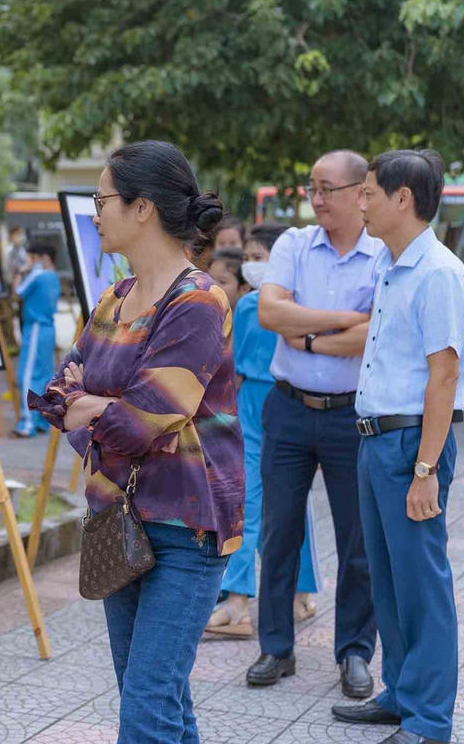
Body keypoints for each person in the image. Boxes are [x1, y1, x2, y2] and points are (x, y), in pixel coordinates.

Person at [29, 140, 244, 744]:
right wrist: (107, 410)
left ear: (142, 207)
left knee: (146, 707)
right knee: (155, 698)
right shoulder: (115, 298)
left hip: (186, 523)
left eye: (102, 201)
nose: (95, 214)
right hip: (117, 516)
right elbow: (56, 394)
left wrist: (96, 409)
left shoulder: (198, 301)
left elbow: (142, 420)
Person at [330, 150, 464, 744]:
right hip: (375, 440)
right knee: (387, 580)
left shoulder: (439, 274)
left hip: (413, 443)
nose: (359, 203)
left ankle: (429, 720)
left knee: (421, 583)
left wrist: (425, 470)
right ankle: (401, 694)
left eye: (367, 192)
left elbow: (444, 377)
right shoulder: (393, 268)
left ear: (402, 198)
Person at [248, 150, 379, 699]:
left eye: (327, 188)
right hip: (289, 409)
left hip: (352, 415)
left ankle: (355, 652)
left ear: (360, 192)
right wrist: (342, 320)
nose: (317, 199)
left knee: (358, 539)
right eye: (312, 188)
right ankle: (276, 647)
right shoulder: (293, 245)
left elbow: (376, 333)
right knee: (279, 531)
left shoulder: (381, 253)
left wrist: (304, 335)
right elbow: (270, 313)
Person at [206, 224, 320, 639]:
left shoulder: (297, 305)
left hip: (289, 405)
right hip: (252, 410)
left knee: (293, 504)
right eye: (249, 258)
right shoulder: (247, 307)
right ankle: (238, 600)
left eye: (260, 258)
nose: (252, 266)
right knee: (246, 502)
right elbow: (234, 369)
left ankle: (301, 593)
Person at [11, 243, 60, 438]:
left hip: (35, 329)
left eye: (32, 257)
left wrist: (20, 272)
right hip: (48, 329)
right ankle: (42, 421)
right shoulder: (54, 276)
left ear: (43, 257)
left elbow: (18, 292)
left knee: (28, 375)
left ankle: (27, 423)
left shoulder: (39, 275)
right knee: (45, 375)